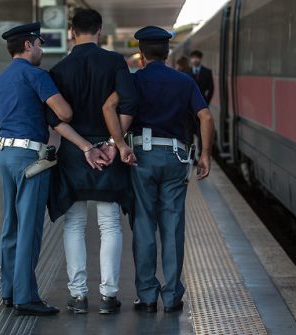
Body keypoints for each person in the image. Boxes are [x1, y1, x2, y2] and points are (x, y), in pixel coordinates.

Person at [103, 26, 215, 313]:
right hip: (176, 157)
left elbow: (109, 107)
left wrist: (118, 143)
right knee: (173, 225)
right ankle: (172, 295)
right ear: (167, 53)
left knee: (144, 225)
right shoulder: (184, 80)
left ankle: (148, 296)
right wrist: (205, 154)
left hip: (142, 157)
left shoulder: (133, 80)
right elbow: (205, 116)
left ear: (141, 54)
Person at [45, 9, 138, 315]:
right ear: (99, 31)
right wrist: (114, 144)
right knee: (110, 223)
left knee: (74, 223)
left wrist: (85, 146)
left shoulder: (59, 69)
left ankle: (78, 296)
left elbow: (54, 120)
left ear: (72, 32)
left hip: (75, 153)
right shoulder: (114, 62)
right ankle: (109, 296)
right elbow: (129, 103)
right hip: (109, 150)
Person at [0, 22, 73, 316]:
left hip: (5, 154)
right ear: (28, 45)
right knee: (29, 227)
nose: (41, 48)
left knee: (10, 225)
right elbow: (64, 113)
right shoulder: (36, 75)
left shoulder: (1, 80)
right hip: (30, 158)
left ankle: (9, 290)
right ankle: (26, 296)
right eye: (39, 43)